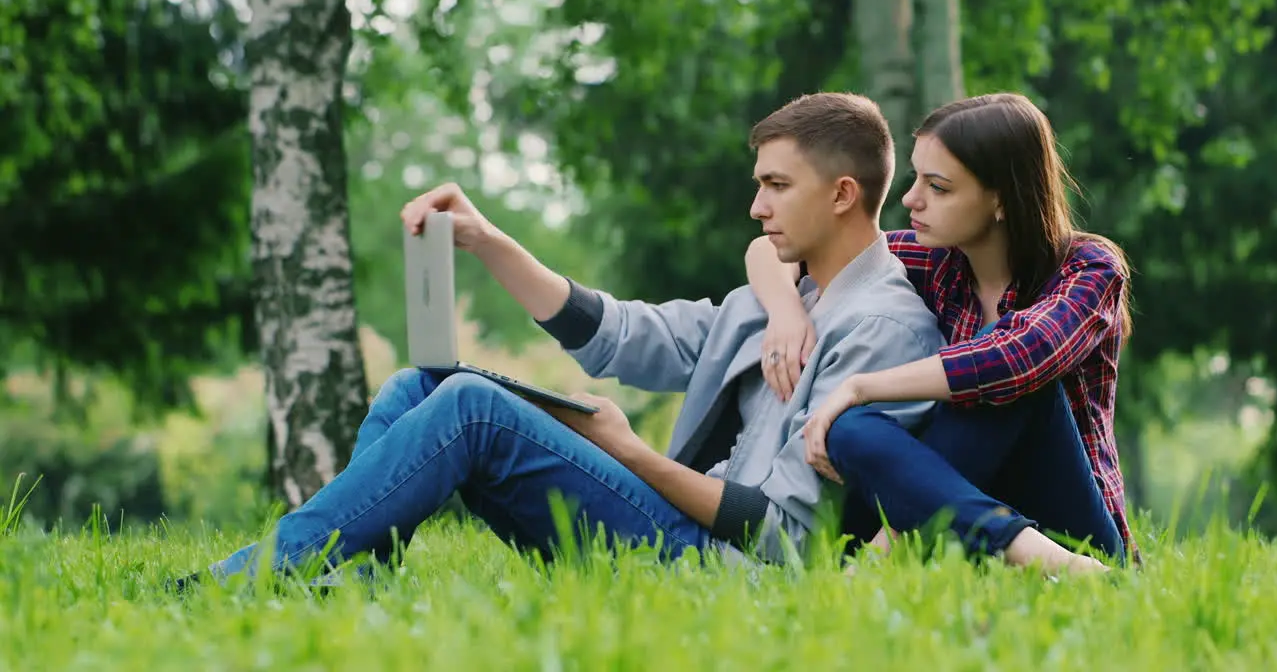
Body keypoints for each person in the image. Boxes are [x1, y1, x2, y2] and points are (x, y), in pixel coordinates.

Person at [168, 92, 944, 591]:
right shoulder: (781, 297)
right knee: (421, 387)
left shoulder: (880, 329)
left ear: (843, 194)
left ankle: (252, 577)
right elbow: (626, 337)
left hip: (726, 570)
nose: (755, 207)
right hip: (678, 526)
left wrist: (629, 452)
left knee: (472, 406)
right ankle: (358, 586)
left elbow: (790, 540)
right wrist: (489, 241)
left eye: (776, 185)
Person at [744, 92, 1136, 574]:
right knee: (849, 428)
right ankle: (992, 555)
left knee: (1005, 376)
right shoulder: (931, 259)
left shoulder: (1089, 267)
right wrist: (786, 312)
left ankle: (1056, 564)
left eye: (940, 187)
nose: (911, 199)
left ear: (1000, 199)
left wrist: (860, 385)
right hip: (956, 508)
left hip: (1075, 531)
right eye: (915, 178)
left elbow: (1022, 355)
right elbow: (777, 247)